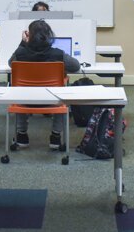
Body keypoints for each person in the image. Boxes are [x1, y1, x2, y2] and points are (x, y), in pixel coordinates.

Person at [8, 19, 80, 149]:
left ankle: (22, 136)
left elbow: (10, 64)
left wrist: (23, 43)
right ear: (48, 36)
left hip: (25, 100)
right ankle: (56, 137)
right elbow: (75, 66)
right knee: (61, 93)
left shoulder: (20, 53)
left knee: (19, 91)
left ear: (29, 36)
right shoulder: (57, 54)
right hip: (51, 99)